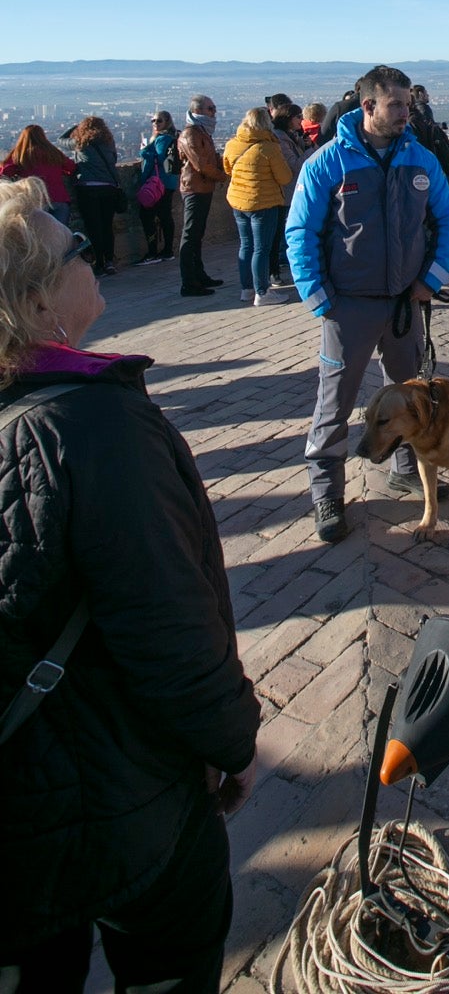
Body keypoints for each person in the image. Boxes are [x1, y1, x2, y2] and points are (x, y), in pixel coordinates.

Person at [0, 179, 260, 990]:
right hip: (120, 799)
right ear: (41, 300)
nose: (87, 252)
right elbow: (168, 631)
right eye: (75, 246)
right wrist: (230, 744)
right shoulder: (94, 429)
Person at [286, 66, 449, 544]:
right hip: (349, 306)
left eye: (408, 104)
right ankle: (327, 493)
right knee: (335, 402)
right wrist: (317, 295)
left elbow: (448, 219)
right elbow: (300, 231)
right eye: (397, 105)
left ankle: (407, 468)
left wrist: (431, 278)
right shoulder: (327, 163)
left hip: (404, 303)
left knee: (411, 397)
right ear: (368, 107)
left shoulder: (420, 159)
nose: (408, 113)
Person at [222, 107, 293, 307]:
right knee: (262, 248)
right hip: (263, 201)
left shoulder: (232, 144)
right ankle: (262, 291)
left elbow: (227, 169)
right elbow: (285, 177)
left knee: (246, 245)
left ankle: (247, 289)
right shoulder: (268, 148)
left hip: (238, 200)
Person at [177, 95, 226, 299]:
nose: (214, 112)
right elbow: (201, 164)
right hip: (194, 188)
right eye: (210, 109)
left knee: (197, 234)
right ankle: (189, 282)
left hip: (202, 187)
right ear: (197, 111)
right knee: (190, 235)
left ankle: (199, 275)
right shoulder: (191, 134)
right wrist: (223, 176)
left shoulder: (202, 132)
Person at [70, 115, 123, 276]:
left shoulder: (80, 143)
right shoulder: (109, 142)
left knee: (94, 228)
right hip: (108, 188)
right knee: (107, 226)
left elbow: (61, 139)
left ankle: (98, 262)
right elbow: (113, 160)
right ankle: (109, 262)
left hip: (88, 190)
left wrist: (76, 128)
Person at [1, 125, 77, 224]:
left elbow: (5, 173)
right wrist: (58, 171)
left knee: (38, 237)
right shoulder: (53, 152)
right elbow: (71, 167)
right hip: (59, 199)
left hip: (35, 201)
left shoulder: (20, 155)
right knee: (60, 236)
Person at [267, 104, 307, 287]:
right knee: (277, 234)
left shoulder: (291, 136)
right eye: (298, 116)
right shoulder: (280, 139)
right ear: (288, 118)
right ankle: (273, 271)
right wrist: (310, 152)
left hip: (291, 190)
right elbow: (296, 164)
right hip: (286, 191)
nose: (301, 120)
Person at [136, 110, 179, 266]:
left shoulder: (162, 139)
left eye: (158, 121)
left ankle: (153, 252)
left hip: (157, 184)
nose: (155, 123)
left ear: (167, 122)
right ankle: (167, 250)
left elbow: (159, 157)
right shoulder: (174, 137)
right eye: (153, 121)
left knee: (147, 216)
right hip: (169, 182)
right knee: (165, 216)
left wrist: (144, 151)